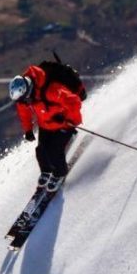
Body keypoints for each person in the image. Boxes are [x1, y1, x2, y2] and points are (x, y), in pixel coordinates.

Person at [9, 64, 83, 192]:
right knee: (41, 151)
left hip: (64, 124)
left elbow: (74, 101)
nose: (23, 102)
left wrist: (71, 120)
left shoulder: (51, 91)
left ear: (28, 89)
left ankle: (60, 174)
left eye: (23, 98)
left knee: (55, 151)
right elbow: (24, 113)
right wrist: (28, 130)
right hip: (45, 125)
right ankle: (47, 171)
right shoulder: (26, 99)